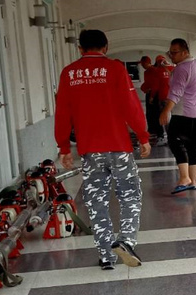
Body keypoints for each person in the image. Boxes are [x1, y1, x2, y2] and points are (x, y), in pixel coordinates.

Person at [54, 29, 150, 270]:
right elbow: (130, 105)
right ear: (105, 47)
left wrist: (64, 147)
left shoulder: (69, 73)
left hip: (89, 151)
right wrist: (143, 135)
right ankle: (126, 241)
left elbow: (63, 112)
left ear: (80, 49)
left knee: (96, 200)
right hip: (119, 147)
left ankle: (106, 255)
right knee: (129, 195)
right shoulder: (115, 69)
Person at [159, 38, 196, 194]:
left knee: (175, 143)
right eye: (170, 52)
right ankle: (193, 181)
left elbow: (176, 92)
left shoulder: (182, 68)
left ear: (185, 52)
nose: (171, 55)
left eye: (174, 52)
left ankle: (184, 178)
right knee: (193, 148)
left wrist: (166, 111)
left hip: (183, 113)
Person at [139, 55, 163, 143]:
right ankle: (152, 131)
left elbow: (155, 85)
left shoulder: (153, 71)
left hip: (154, 95)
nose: (142, 65)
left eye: (142, 64)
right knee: (150, 114)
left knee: (156, 114)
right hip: (150, 94)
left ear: (146, 63)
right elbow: (147, 84)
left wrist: (152, 96)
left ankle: (159, 133)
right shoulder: (147, 72)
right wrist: (144, 88)